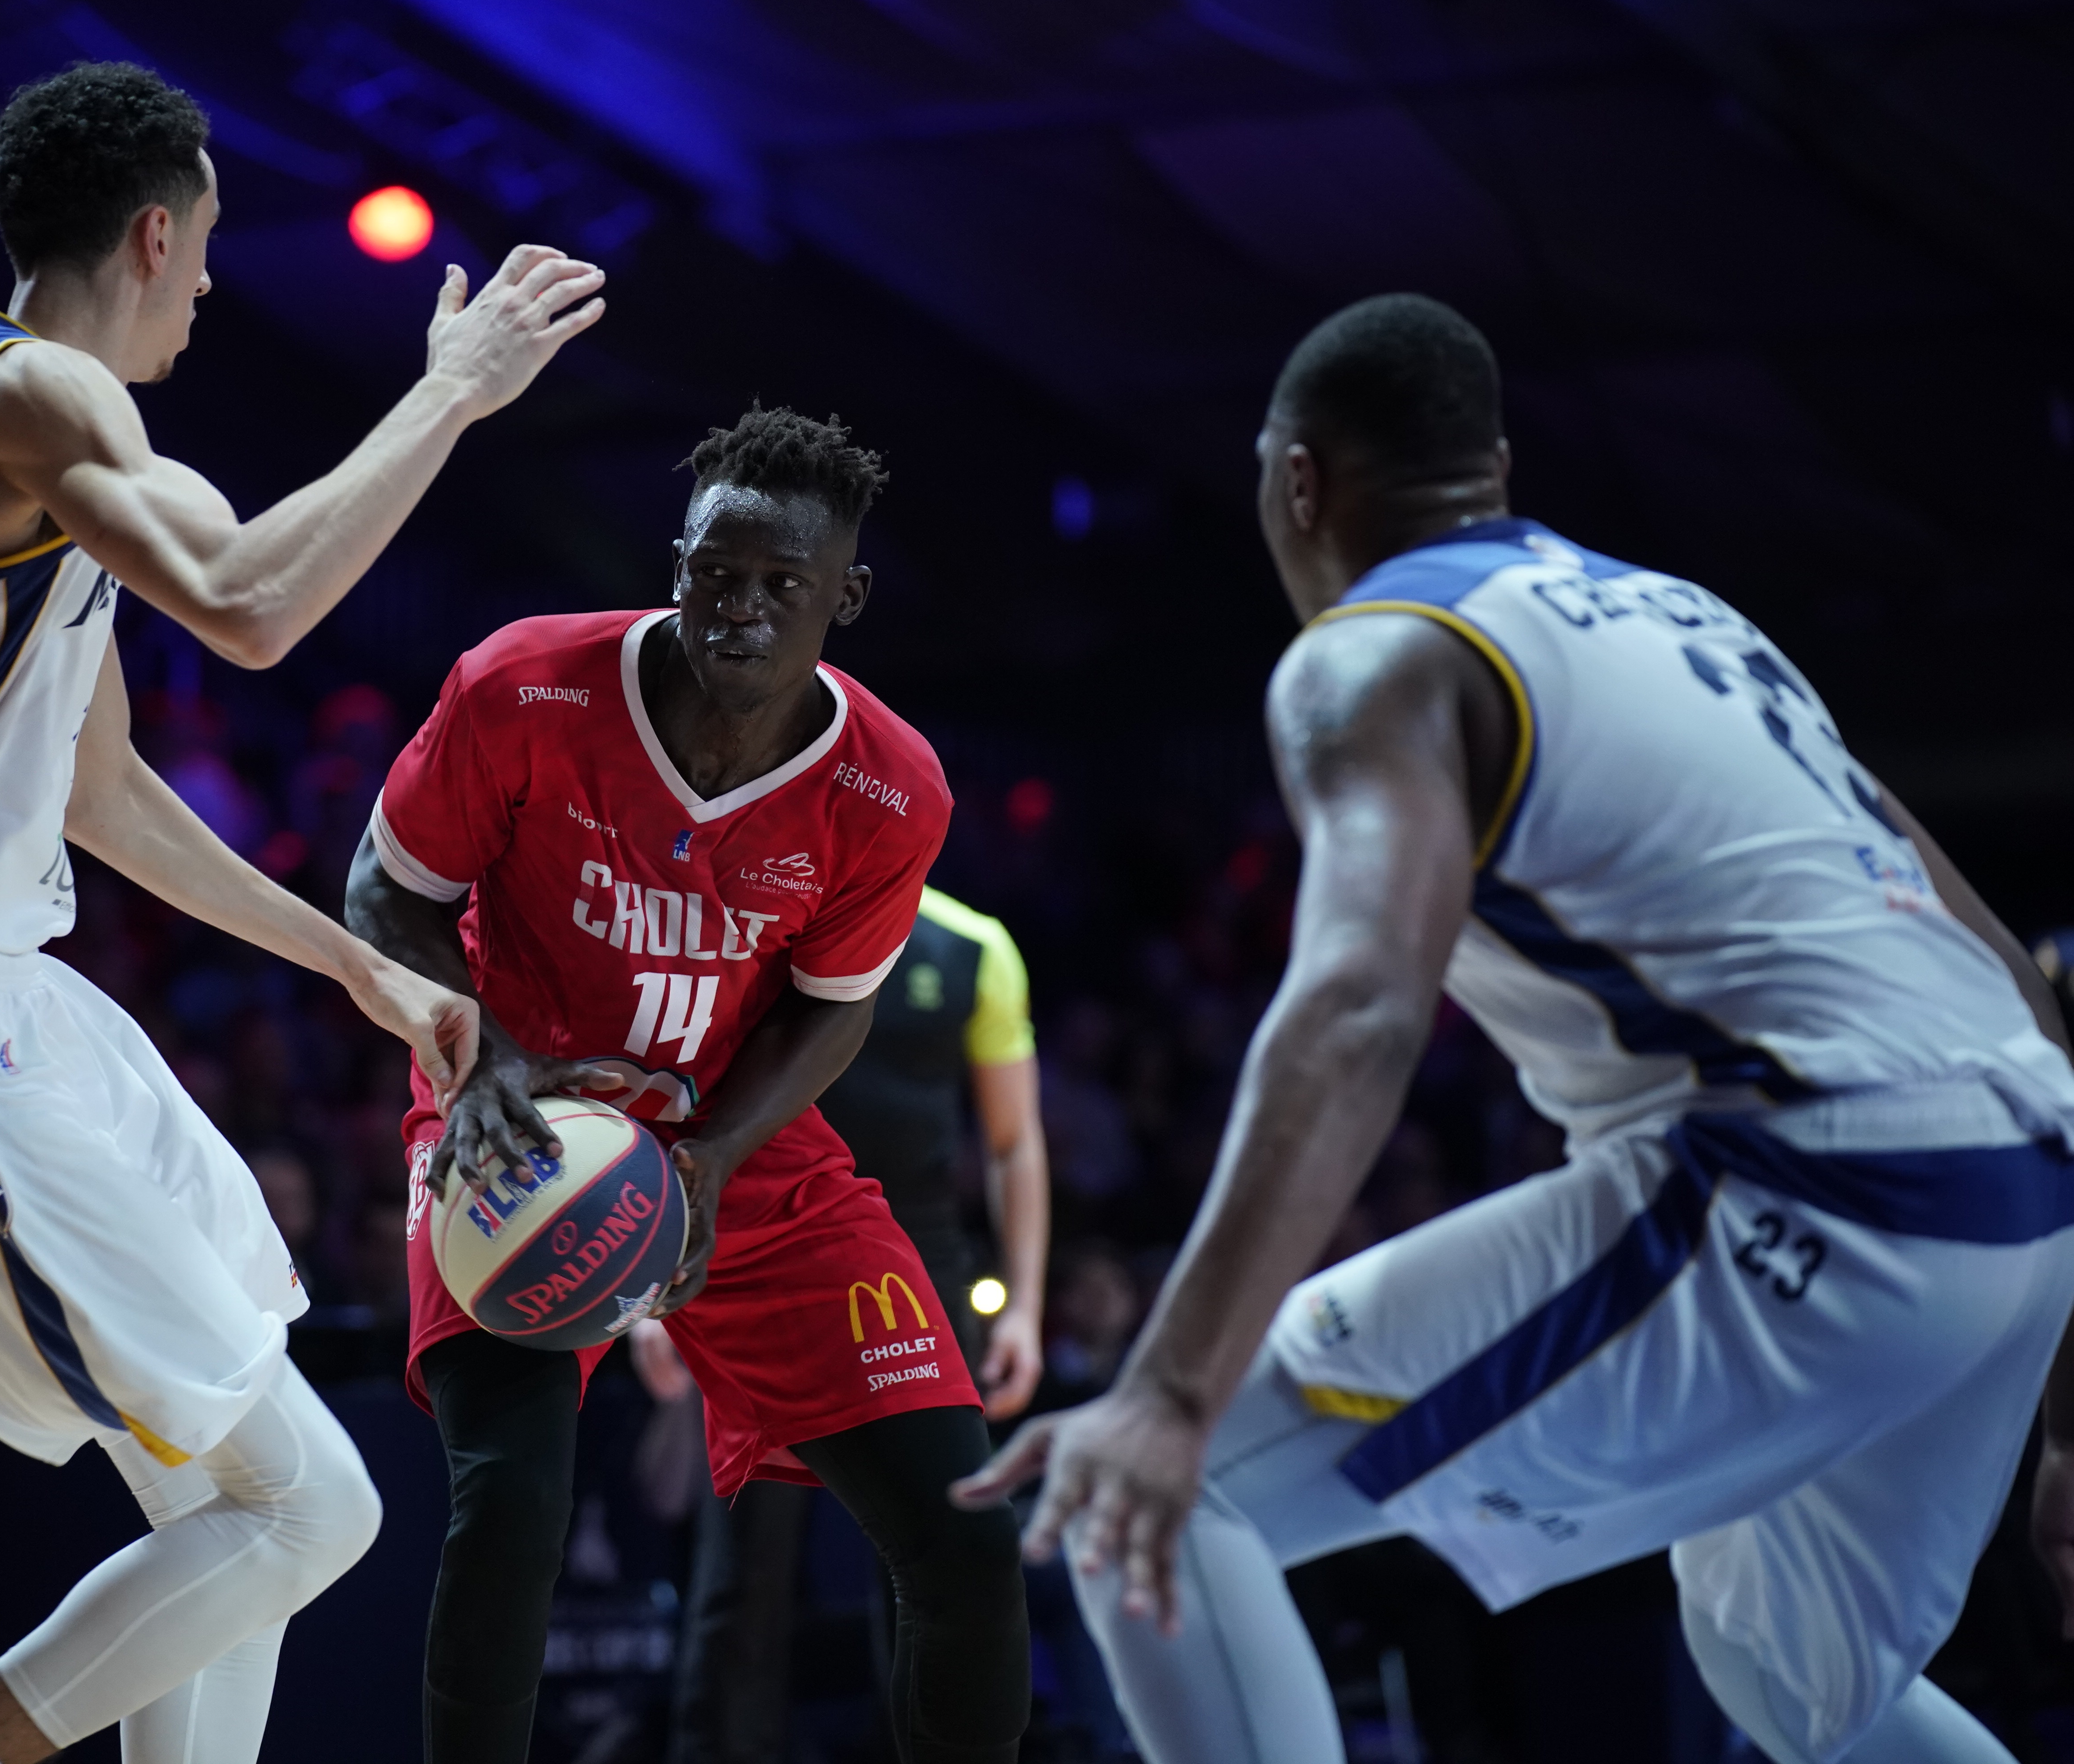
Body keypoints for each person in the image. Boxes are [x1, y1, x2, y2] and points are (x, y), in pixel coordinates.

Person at [957, 293, 2074, 1764]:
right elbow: (2010, 975)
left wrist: (1167, 1389)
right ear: (1493, 468)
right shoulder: (1694, 622)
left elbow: (1359, 1005)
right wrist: (2065, 1417)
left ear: (1298, 483)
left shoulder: (1377, 652)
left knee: (1162, 1485)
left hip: (1819, 1183)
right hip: (2028, 1196)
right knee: (1789, 1674)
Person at [0, 61, 604, 1764]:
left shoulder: (46, 429)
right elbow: (247, 607)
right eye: (211, 249)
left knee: (234, 1508)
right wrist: (447, 396)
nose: (217, 287)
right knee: (318, 1516)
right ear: (156, 235)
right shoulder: (36, 404)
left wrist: (356, 961)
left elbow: (105, 796)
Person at [347, 405, 1031, 1764]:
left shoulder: (894, 790)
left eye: (786, 586)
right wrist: (482, 1058)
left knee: (961, 1533)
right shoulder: (524, 687)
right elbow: (385, 894)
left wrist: (714, 1155)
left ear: (848, 598)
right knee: (514, 1508)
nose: (744, 609)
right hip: (517, 1112)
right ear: (678, 565)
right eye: (721, 573)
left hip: (738, 1137)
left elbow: (833, 1017)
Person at [654, 884, 1049, 1763]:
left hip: (918, 1272)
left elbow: (1015, 1141)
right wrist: (649, 1282)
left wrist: (1023, 1301)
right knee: (742, 1566)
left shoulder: (975, 944)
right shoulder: (754, 913)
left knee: (935, 1555)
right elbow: (670, 1082)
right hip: (760, 1252)